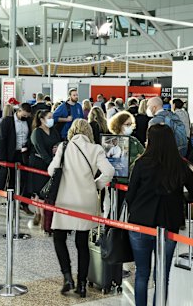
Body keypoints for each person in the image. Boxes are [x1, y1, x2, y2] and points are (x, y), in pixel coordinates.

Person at [127, 124, 193, 305]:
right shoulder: (181, 165)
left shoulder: (141, 163)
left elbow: (130, 196)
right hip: (168, 225)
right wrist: (179, 197)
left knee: (141, 273)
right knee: (162, 276)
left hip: (140, 223)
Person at [48, 119, 114, 297]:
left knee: (59, 238)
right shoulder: (96, 149)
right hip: (86, 200)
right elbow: (109, 171)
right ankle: (82, 285)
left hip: (65, 200)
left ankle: (67, 276)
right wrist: (97, 185)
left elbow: (51, 170)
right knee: (82, 243)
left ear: (72, 131)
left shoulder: (64, 146)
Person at [0, 103, 34, 215]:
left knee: (25, 179)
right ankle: (11, 202)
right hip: (11, 153)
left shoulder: (28, 121)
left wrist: (27, 146)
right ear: (19, 111)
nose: (26, 117)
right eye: (24, 114)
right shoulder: (8, 121)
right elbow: (2, 139)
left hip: (24, 153)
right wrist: (2, 159)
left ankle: (24, 203)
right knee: (11, 179)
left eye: (28, 115)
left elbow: (30, 136)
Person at [28, 110, 61, 227]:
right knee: (40, 192)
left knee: (46, 192)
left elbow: (59, 142)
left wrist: (57, 148)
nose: (52, 119)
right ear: (42, 119)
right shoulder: (37, 132)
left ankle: (42, 217)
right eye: (49, 117)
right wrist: (51, 163)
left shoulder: (53, 130)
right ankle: (41, 218)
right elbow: (41, 150)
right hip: (39, 164)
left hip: (51, 164)